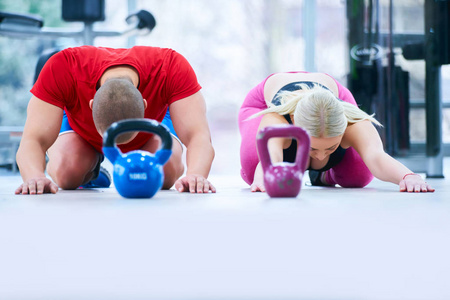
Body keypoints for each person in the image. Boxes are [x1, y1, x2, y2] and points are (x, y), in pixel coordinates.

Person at [15, 45, 215, 195]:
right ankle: (92, 169)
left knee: (164, 172)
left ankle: (152, 152)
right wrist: (34, 176)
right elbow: (33, 139)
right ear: (91, 104)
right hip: (81, 126)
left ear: (145, 105)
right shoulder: (63, 66)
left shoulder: (171, 66)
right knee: (67, 173)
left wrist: (196, 175)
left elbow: (198, 136)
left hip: (153, 124)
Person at [238, 71, 435, 193]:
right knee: (252, 170)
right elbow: (270, 158)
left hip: (332, 98)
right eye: (313, 148)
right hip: (264, 102)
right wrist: (264, 178)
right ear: (295, 128)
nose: (322, 156)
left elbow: (376, 156)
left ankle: (322, 176)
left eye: (330, 147)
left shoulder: (352, 119)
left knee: (359, 176)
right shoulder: (277, 120)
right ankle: (300, 160)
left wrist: (409, 176)